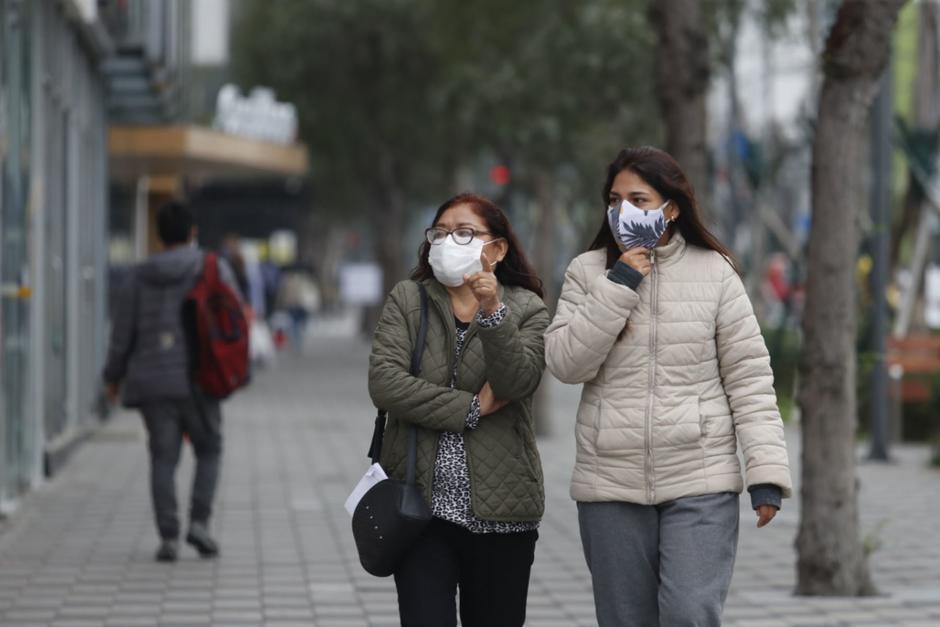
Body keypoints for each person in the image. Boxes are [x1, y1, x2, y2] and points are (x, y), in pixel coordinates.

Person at [544, 147, 793, 627]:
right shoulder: (587, 271)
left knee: (689, 613)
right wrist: (619, 284)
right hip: (610, 481)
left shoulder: (716, 273)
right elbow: (566, 363)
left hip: (700, 477)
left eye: (639, 199)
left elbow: (750, 378)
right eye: (615, 200)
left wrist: (765, 473)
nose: (624, 211)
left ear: (671, 207)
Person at [368, 192, 549, 627]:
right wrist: (468, 407)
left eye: (465, 232)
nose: (449, 242)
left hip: (503, 511)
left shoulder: (526, 308)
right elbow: (385, 384)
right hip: (419, 509)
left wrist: (492, 311)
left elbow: (516, 382)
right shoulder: (409, 299)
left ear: (498, 247)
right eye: (441, 233)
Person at [102, 201, 241, 562]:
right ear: (192, 233)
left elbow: (122, 333)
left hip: (152, 383)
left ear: (159, 236)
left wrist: (112, 376)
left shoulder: (137, 275)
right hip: (200, 379)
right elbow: (235, 314)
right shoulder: (211, 267)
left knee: (163, 459)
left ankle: (168, 537)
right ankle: (199, 523)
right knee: (209, 449)